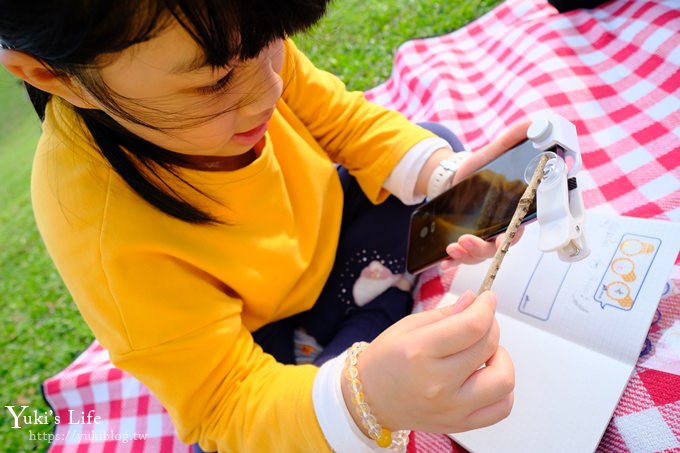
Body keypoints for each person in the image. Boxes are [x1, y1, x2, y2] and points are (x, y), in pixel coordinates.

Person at [0, 1, 521, 451]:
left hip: (333, 225)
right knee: (271, 431)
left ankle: (376, 319)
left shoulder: (237, 33)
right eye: (216, 82)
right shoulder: (94, 218)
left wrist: (447, 180)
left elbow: (342, 122)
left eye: (275, 44)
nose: (271, 90)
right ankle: (371, 332)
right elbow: (222, 401)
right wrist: (364, 398)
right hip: (266, 325)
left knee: (431, 147)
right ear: (53, 75)